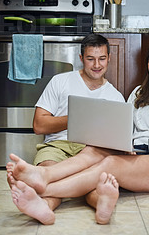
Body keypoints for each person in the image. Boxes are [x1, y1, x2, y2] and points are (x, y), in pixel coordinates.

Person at [7, 41, 149, 225]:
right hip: (137, 150)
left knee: (109, 165)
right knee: (93, 150)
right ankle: (44, 175)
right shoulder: (140, 92)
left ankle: (42, 189)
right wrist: (123, 145)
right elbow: (124, 128)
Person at [7, 33, 125, 217]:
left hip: (90, 150)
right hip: (56, 146)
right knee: (50, 172)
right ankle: (45, 208)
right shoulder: (60, 81)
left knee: (91, 183)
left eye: (102, 59)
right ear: (81, 58)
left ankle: (102, 203)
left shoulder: (116, 97)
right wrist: (76, 118)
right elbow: (39, 125)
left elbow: (118, 140)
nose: (97, 65)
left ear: (109, 58)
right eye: (90, 59)